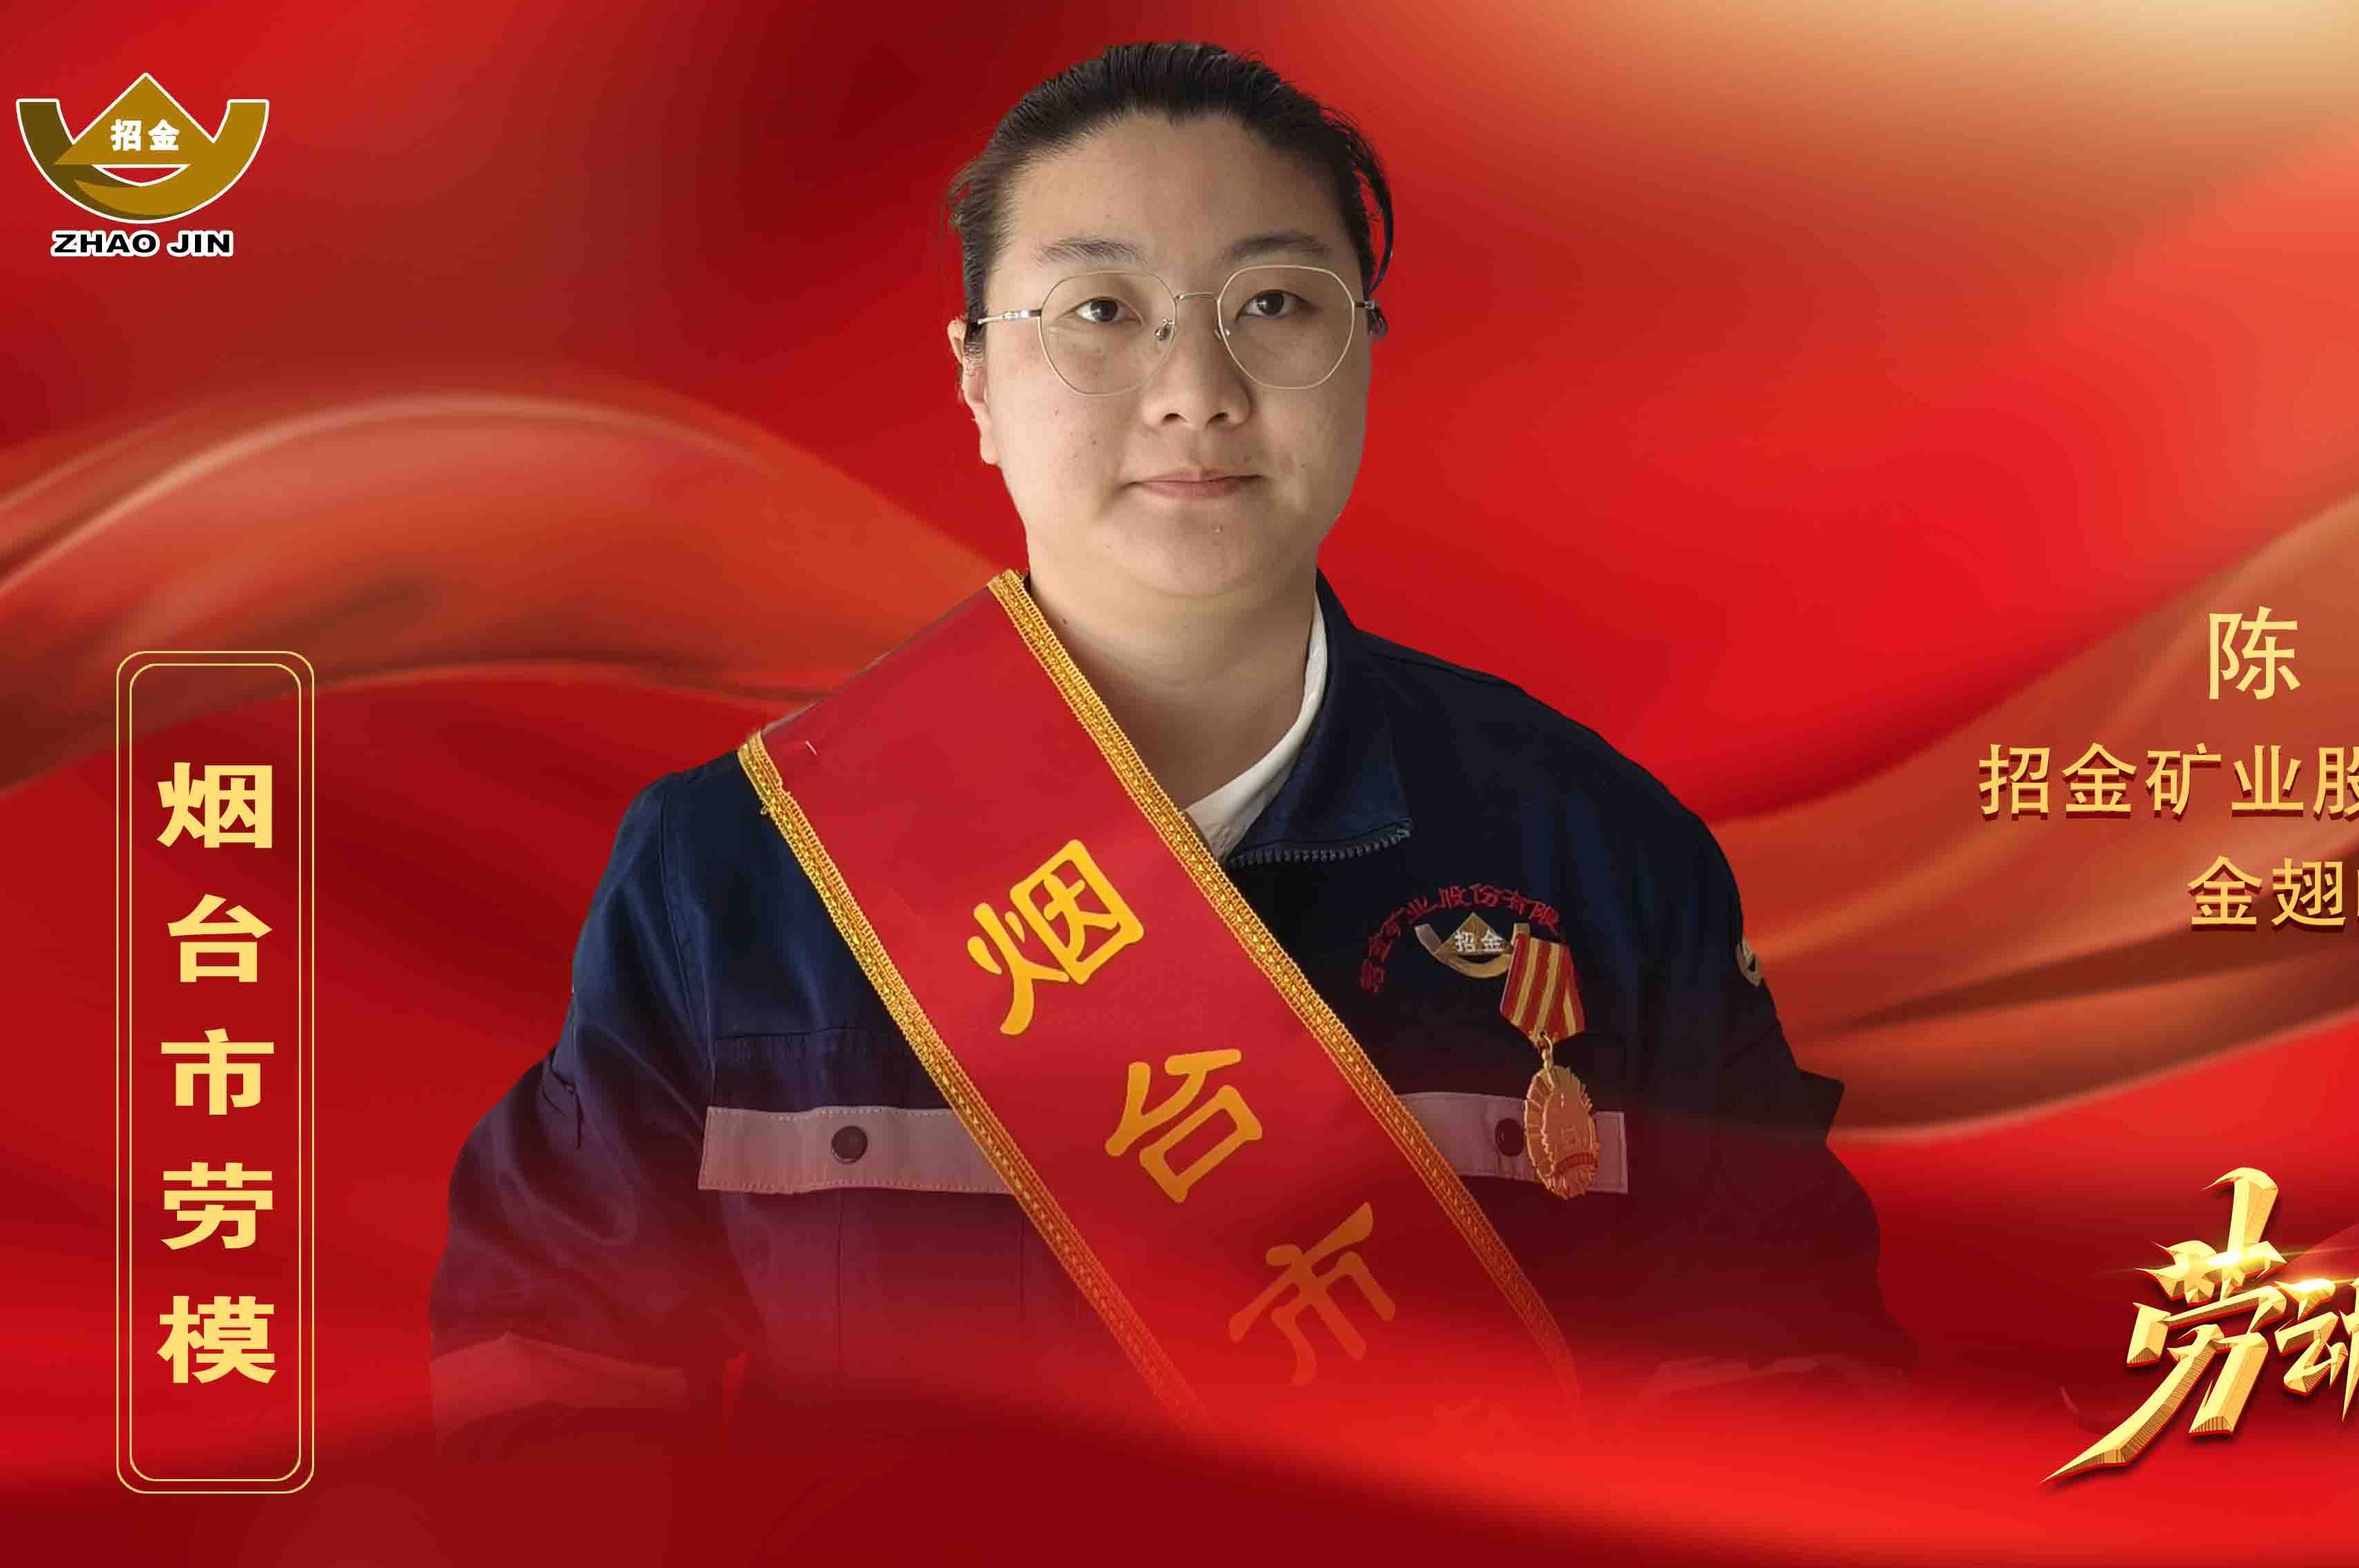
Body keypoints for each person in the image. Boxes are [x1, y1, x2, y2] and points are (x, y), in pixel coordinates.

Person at [428, 39, 1912, 1466]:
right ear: (975, 381)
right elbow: (549, 1384)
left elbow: (1782, 1390)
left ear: (1364, 353)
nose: (1195, 383)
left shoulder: (1598, 855)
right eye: (1099, 309)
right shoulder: (736, 870)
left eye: (1273, 302)